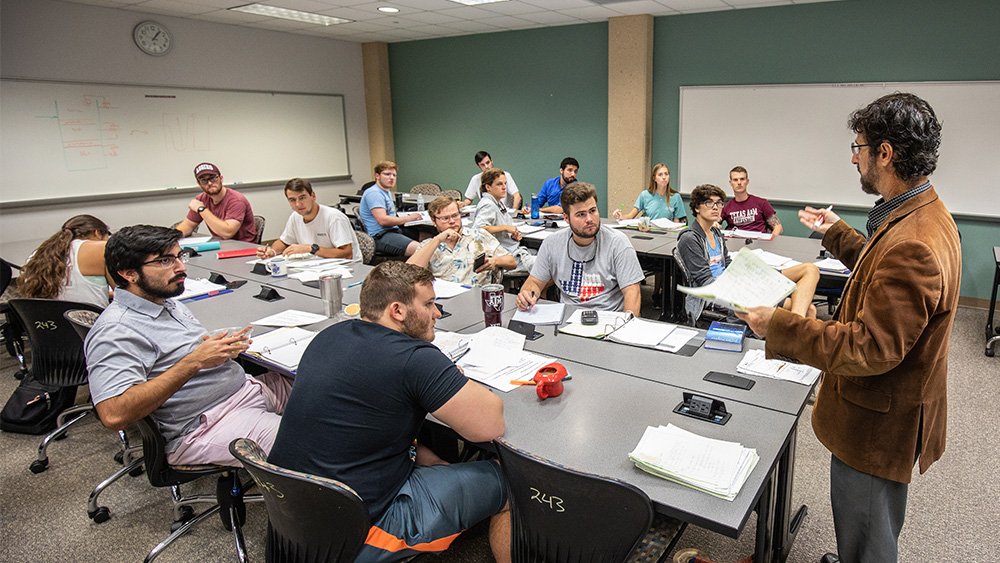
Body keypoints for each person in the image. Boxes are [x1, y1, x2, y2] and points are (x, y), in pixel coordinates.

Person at [736, 93, 961, 563]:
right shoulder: (922, 215)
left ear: (885, 153)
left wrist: (777, 325)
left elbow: (870, 347)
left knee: (867, 536)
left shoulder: (914, 244)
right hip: (886, 410)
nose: (855, 157)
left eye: (858, 147)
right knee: (864, 527)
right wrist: (836, 231)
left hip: (878, 424)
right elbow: (881, 274)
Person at [268, 262, 510, 563]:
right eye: (429, 304)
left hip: (291, 520)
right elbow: (490, 425)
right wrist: (451, 376)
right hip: (355, 536)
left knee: (440, 464)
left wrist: (438, 465)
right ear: (397, 311)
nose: (437, 313)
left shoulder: (329, 336)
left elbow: (372, 431)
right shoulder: (414, 359)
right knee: (512, 481)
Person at [85, 225, 292, 467]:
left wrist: (218, 351)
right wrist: (194, 362)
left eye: (178, 256)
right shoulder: (117, 330)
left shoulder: (164, 299)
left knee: (333, 390)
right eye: (165, 261)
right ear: (129, 274)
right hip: (206, 424)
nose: (181, 267)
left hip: (245, 391)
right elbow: (113, 414)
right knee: (315, 446)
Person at [677, 184, 819, 324]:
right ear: (697, 208)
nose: (715, 207)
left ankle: (795, 327)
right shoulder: (690, 238)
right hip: (718, 294)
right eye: (709, 203)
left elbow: (727, 264)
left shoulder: (716, 233)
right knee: (809, 310)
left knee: (810, 269)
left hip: (735, 283)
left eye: (719, 203)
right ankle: (795, 328)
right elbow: (706, 282)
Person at [516, 182, 643, 316]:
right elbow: (534, 282)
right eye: (581, 214)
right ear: (566, 218)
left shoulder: (618, 243)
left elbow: (632, 292)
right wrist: (526, 296)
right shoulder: (551, 243)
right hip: (567, 319)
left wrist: (625, 326)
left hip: (608, 319)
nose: (589, 219)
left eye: (593, 211)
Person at [407, 196, 515, 286]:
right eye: (445, 218)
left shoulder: (479, 235)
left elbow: (512, 262)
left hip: (475, 298)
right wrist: (438, 239)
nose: (452, 221)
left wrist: (495, 261)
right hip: (443, 301)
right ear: (433, 220)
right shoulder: (429, 245)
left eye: (455, 215)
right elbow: (408, 274)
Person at [17, 214, 113, 308]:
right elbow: (123, 293)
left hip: (48, 321)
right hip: (89, 321)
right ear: (97, 232)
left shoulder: (38, 254)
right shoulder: (100, 248)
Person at [256, 178, 361, 262]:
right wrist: (272, 252)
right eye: (292, 200)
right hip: (315, 266)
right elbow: (283, 242)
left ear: (313, 196)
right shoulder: (295, 216)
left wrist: (312, 249)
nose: (298, 204)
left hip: (345, 269)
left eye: (302, 198)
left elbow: (347, 254)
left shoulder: (334, 218)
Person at [174, 162, 258, 242]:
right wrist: (171, 239)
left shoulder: (236, 200)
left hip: (244, 247)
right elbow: (187, 226)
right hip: (221, 245)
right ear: (199, 184)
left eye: (213, 178)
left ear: (221, 179)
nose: (209, 183)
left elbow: (227, 233)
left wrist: (202, 209)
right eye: (204, 180)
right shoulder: (201, 199)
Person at [472, 168, 536, 273]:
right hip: (507, 256)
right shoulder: (488, 204)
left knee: (545, 256)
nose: (504, 187)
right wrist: (505, 228)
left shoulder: (498, 202)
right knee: (548, 264)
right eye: (499, 184)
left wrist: (514, 235)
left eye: (505, 183)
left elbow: (501, 228)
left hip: (514, 250)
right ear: (488, 187)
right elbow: (478, 229)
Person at [359, 161, 423, 257]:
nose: (391, 178)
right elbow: (383, 220)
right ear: (377, 176)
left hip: (393, 230)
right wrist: (409, 218)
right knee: (423, 250)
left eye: (394, 175)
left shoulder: (386, 191)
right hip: (380, 236)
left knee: (428, 236)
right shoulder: (374, 193)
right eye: (387, 174)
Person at [612, 163, 686, 224]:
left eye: (666, 174)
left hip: (667, 234)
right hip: (649, 232)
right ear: (654, 178)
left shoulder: (675, 197)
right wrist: (620, 216)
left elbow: (676, 224)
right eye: (660, 175)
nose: (664, 177)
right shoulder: (645, 195)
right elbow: (631, 215)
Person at [721, 166, 783, 235]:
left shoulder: (761, 203)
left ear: (747, 181)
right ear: (730, 183)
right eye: (735, 180)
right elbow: (713, 223)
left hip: (759, 242)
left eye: (742, 179)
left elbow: (778, 228)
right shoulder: (726, 207)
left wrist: (769, 243)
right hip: (735, 242)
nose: (739, 183)